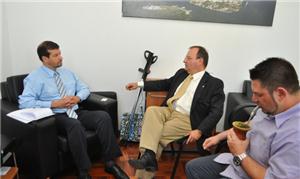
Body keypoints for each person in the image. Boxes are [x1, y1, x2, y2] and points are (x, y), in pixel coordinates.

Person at [18, 41, 129, 179]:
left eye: (60, 53)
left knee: (103, 116)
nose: (61, 57)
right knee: (75, 125)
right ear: (45, 59)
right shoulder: (34, 78)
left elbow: (84, 88)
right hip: (55, 117)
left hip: (76, 111)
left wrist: (78, 98)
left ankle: (110, 162)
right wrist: (53, 103)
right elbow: (25, 102)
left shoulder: (67, 73)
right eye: (56, 55)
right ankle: (83, 171)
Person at [185, 57, 300, 179]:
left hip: (250, 169)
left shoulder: (295, 135)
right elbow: (251, 124)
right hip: (240, 162)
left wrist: (240, 153)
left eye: (258, 94)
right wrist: (218, 137)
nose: (253, 99)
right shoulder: (273, 107)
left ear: (281, 93)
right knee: (192, 168)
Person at [126, 45, 225, 178]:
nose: (184, 60)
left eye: (188, 58)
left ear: (200, 61)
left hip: (187, 119)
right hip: (169, 110)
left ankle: (143, 171)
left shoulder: (214, 84)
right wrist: (139, 84)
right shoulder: (182, 73)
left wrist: (200, 130)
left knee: (155, 136)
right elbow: (164, 83)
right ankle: (149, 158)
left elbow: (216, 112)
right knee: (152, 111)